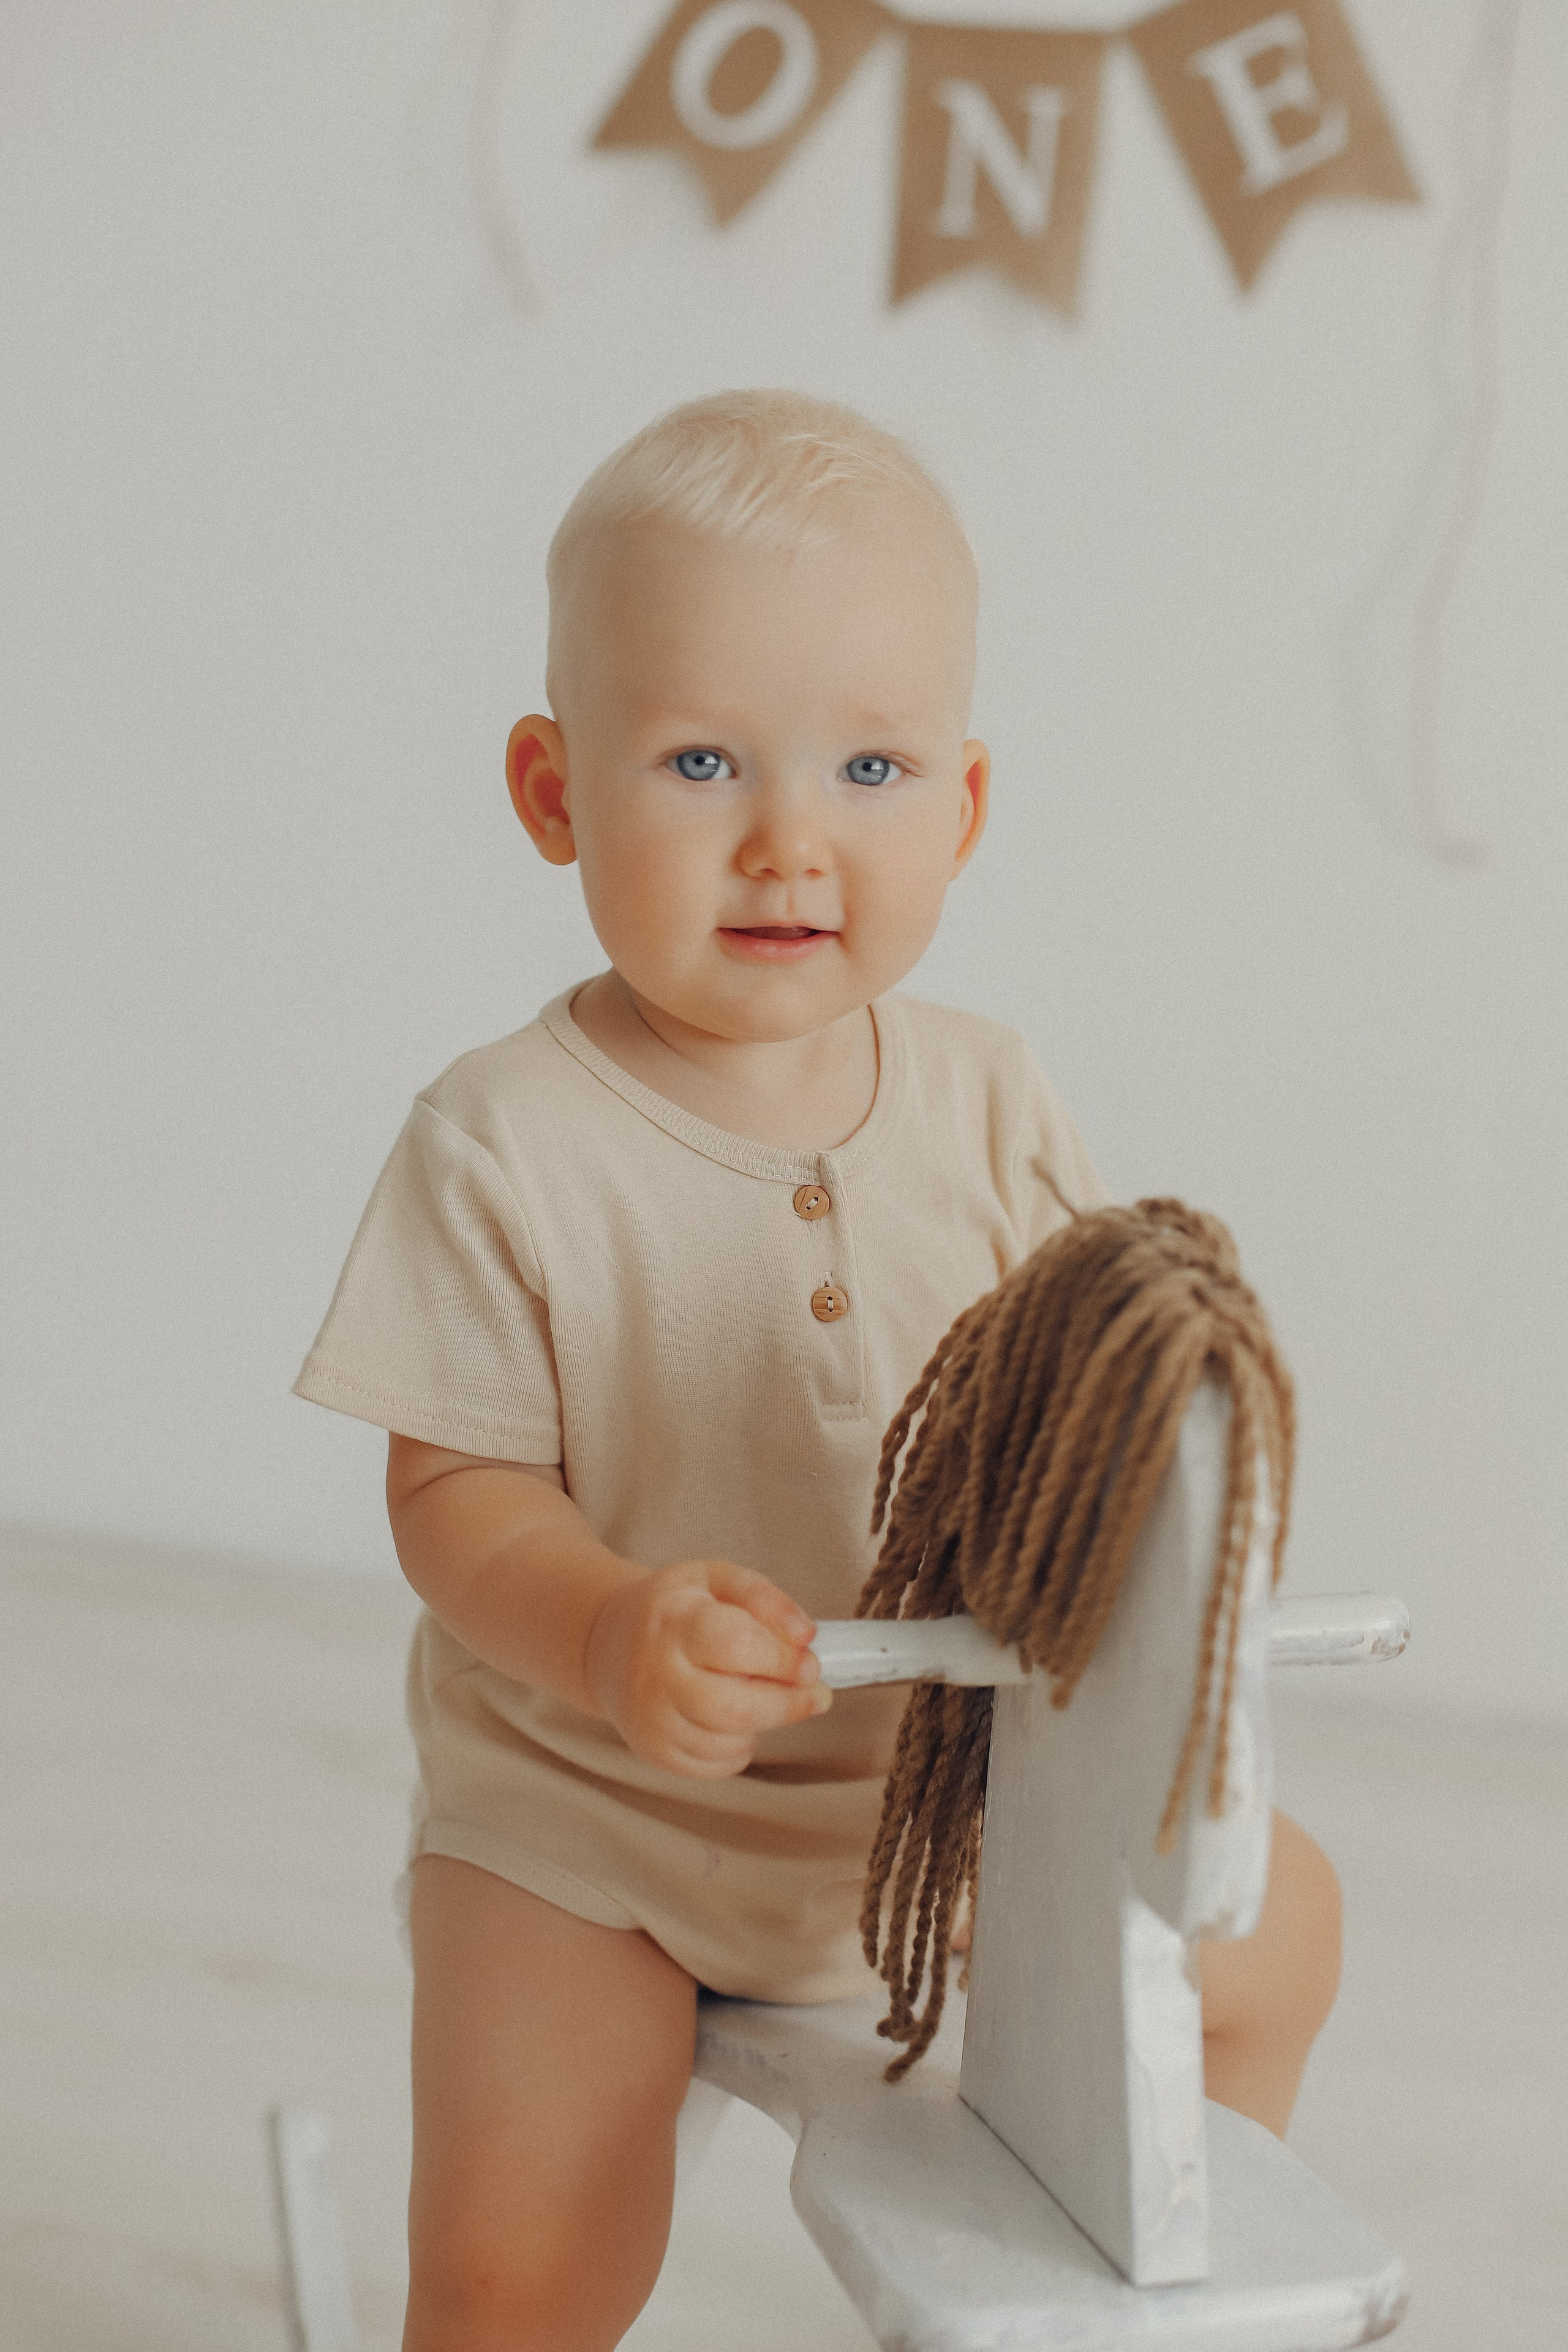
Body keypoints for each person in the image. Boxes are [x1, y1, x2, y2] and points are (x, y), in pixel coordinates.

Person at [295, 390, 1342, 2352]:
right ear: (551, 793)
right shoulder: (503, 1137)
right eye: (702, 759)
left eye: (869, 765)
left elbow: (1082, 1406)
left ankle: (1135, 2266)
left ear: (959, 806)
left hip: (949, 1814)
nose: (790, 838)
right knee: (527, 2253)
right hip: (596, 1823)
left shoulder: (994, 1097)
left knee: (1283, 1924)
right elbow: (450, 1501)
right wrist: (608, 1635)